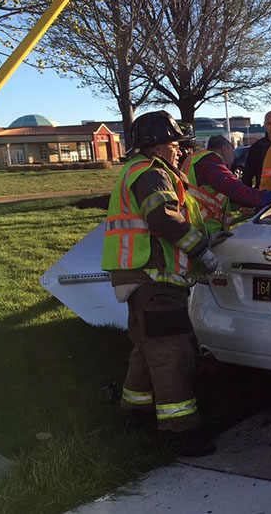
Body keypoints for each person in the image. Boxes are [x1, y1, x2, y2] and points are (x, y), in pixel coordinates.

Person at [101, 111, 219, 457]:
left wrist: (210, 237)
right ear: (156, 145)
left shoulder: (139, 171)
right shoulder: (153, 174)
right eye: (175, 144)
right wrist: (203, 252)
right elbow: (165, 219)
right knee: (173, 354)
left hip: (138, 279)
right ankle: (180, 431)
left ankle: (135, 414)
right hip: (155, 280)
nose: (180, 152)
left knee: (145, 350)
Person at [182, 134, 271, 234]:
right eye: (232, 152)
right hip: (203, 229)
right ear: (225, 150)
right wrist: (261, 197)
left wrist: (243, 205)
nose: (233, 158)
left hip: (196, 226)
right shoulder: (210, 162)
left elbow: (219, 194)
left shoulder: (197, 160)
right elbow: (233, 187)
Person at [243, 111, 271, 189]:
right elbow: (247, 177)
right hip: (265, 195)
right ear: (264, 124)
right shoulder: (257, 148)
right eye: (269, 123)